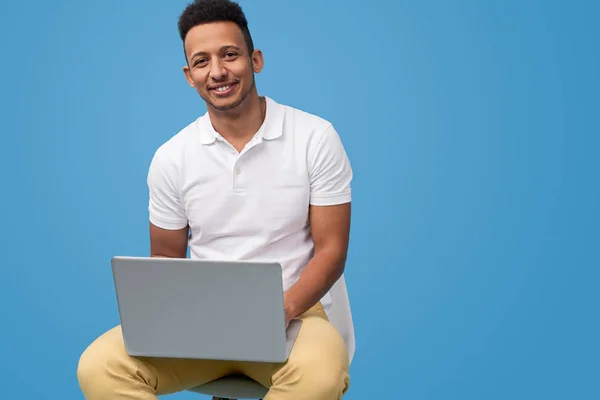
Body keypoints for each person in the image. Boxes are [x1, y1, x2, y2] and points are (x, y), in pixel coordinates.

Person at [76, 0, 354, 399]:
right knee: (100, 367)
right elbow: (166, 262)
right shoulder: (172, 157)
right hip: (201, 320)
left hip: (294, 314)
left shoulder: (315, 137)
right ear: (189, 76)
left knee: (320, 377)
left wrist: (283, 308)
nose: (218, 72)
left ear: (254, 59)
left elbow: (332, 251)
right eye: (201, 62)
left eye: (229, 55)